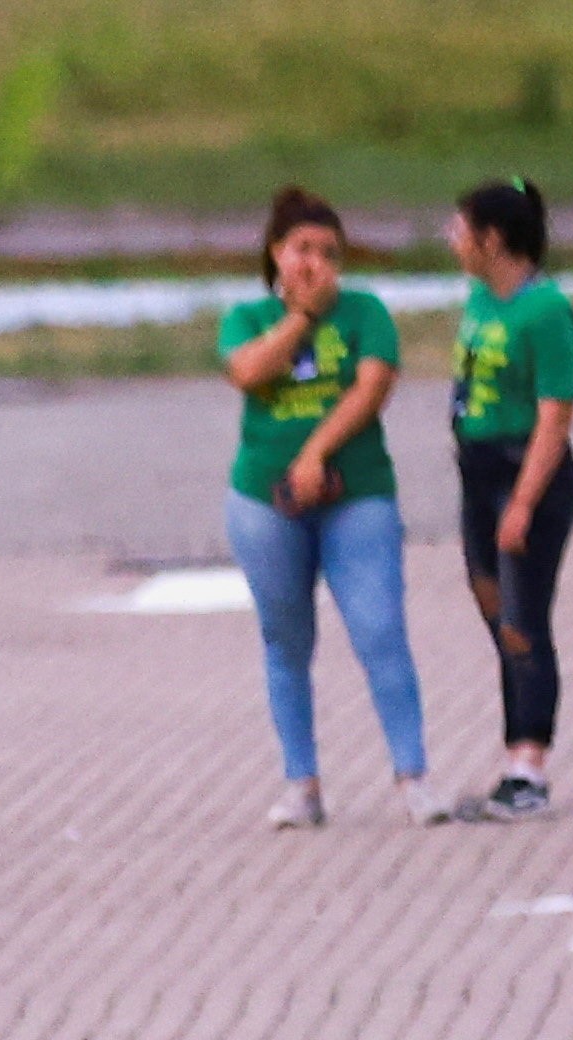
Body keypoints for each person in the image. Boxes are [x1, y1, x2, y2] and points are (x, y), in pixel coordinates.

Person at [216, 188, 445, 830]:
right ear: (276, 254)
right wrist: (300, 318)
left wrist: (316, 453)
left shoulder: (366, 313)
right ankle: (302, 782)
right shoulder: (248, 317)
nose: (315, 264)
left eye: (328, 253)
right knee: (286, 639)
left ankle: (413, 774)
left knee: (379, 629)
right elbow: (249, 373)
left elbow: (372, 387)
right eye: (302, 250)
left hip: (355, 492)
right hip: (266, 499)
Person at [442, 182, 573, 824]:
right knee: (497, 617)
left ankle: (529, 768)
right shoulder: (479, 298)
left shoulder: (546, 311)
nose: (451, 239)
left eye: (461, 228)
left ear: (493, 239)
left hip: (525, 474)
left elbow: (555, 415)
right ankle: (510, 760)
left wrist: (523, 503)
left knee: (524, 622)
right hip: (477, 474)